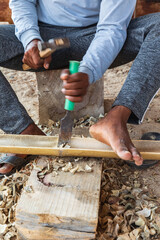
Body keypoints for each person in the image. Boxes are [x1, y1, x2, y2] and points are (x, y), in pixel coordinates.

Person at [0, 0, 159, 175]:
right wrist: (30, 39)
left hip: (97, 34)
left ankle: (116, 118)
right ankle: (23, 131)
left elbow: (111, 29)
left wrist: (88, 69)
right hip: (44, 38)